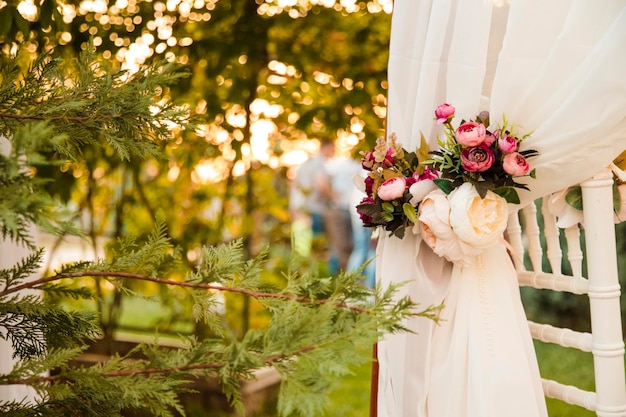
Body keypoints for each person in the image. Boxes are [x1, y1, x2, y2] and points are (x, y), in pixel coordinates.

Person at [290, 139, 336, 264]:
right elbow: (321, 184)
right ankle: (317, 276)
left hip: (302, 209)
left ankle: (302, 275)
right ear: (326, 147)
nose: (333, 152)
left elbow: (294, 186)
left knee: (302, 246)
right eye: (333, 148)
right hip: (315, 209)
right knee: (317, 247)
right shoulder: (319, 163)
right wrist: (334, 196)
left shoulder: (305, 164)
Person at [323, 154, 362, 274]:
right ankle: (341, 277)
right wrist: (333, 196)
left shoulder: (336, 164)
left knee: (343, 246)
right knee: (343, 247)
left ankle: (343, 277)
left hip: (347, 208)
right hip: (342, 208)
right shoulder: (335, 164)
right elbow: (321, 183)